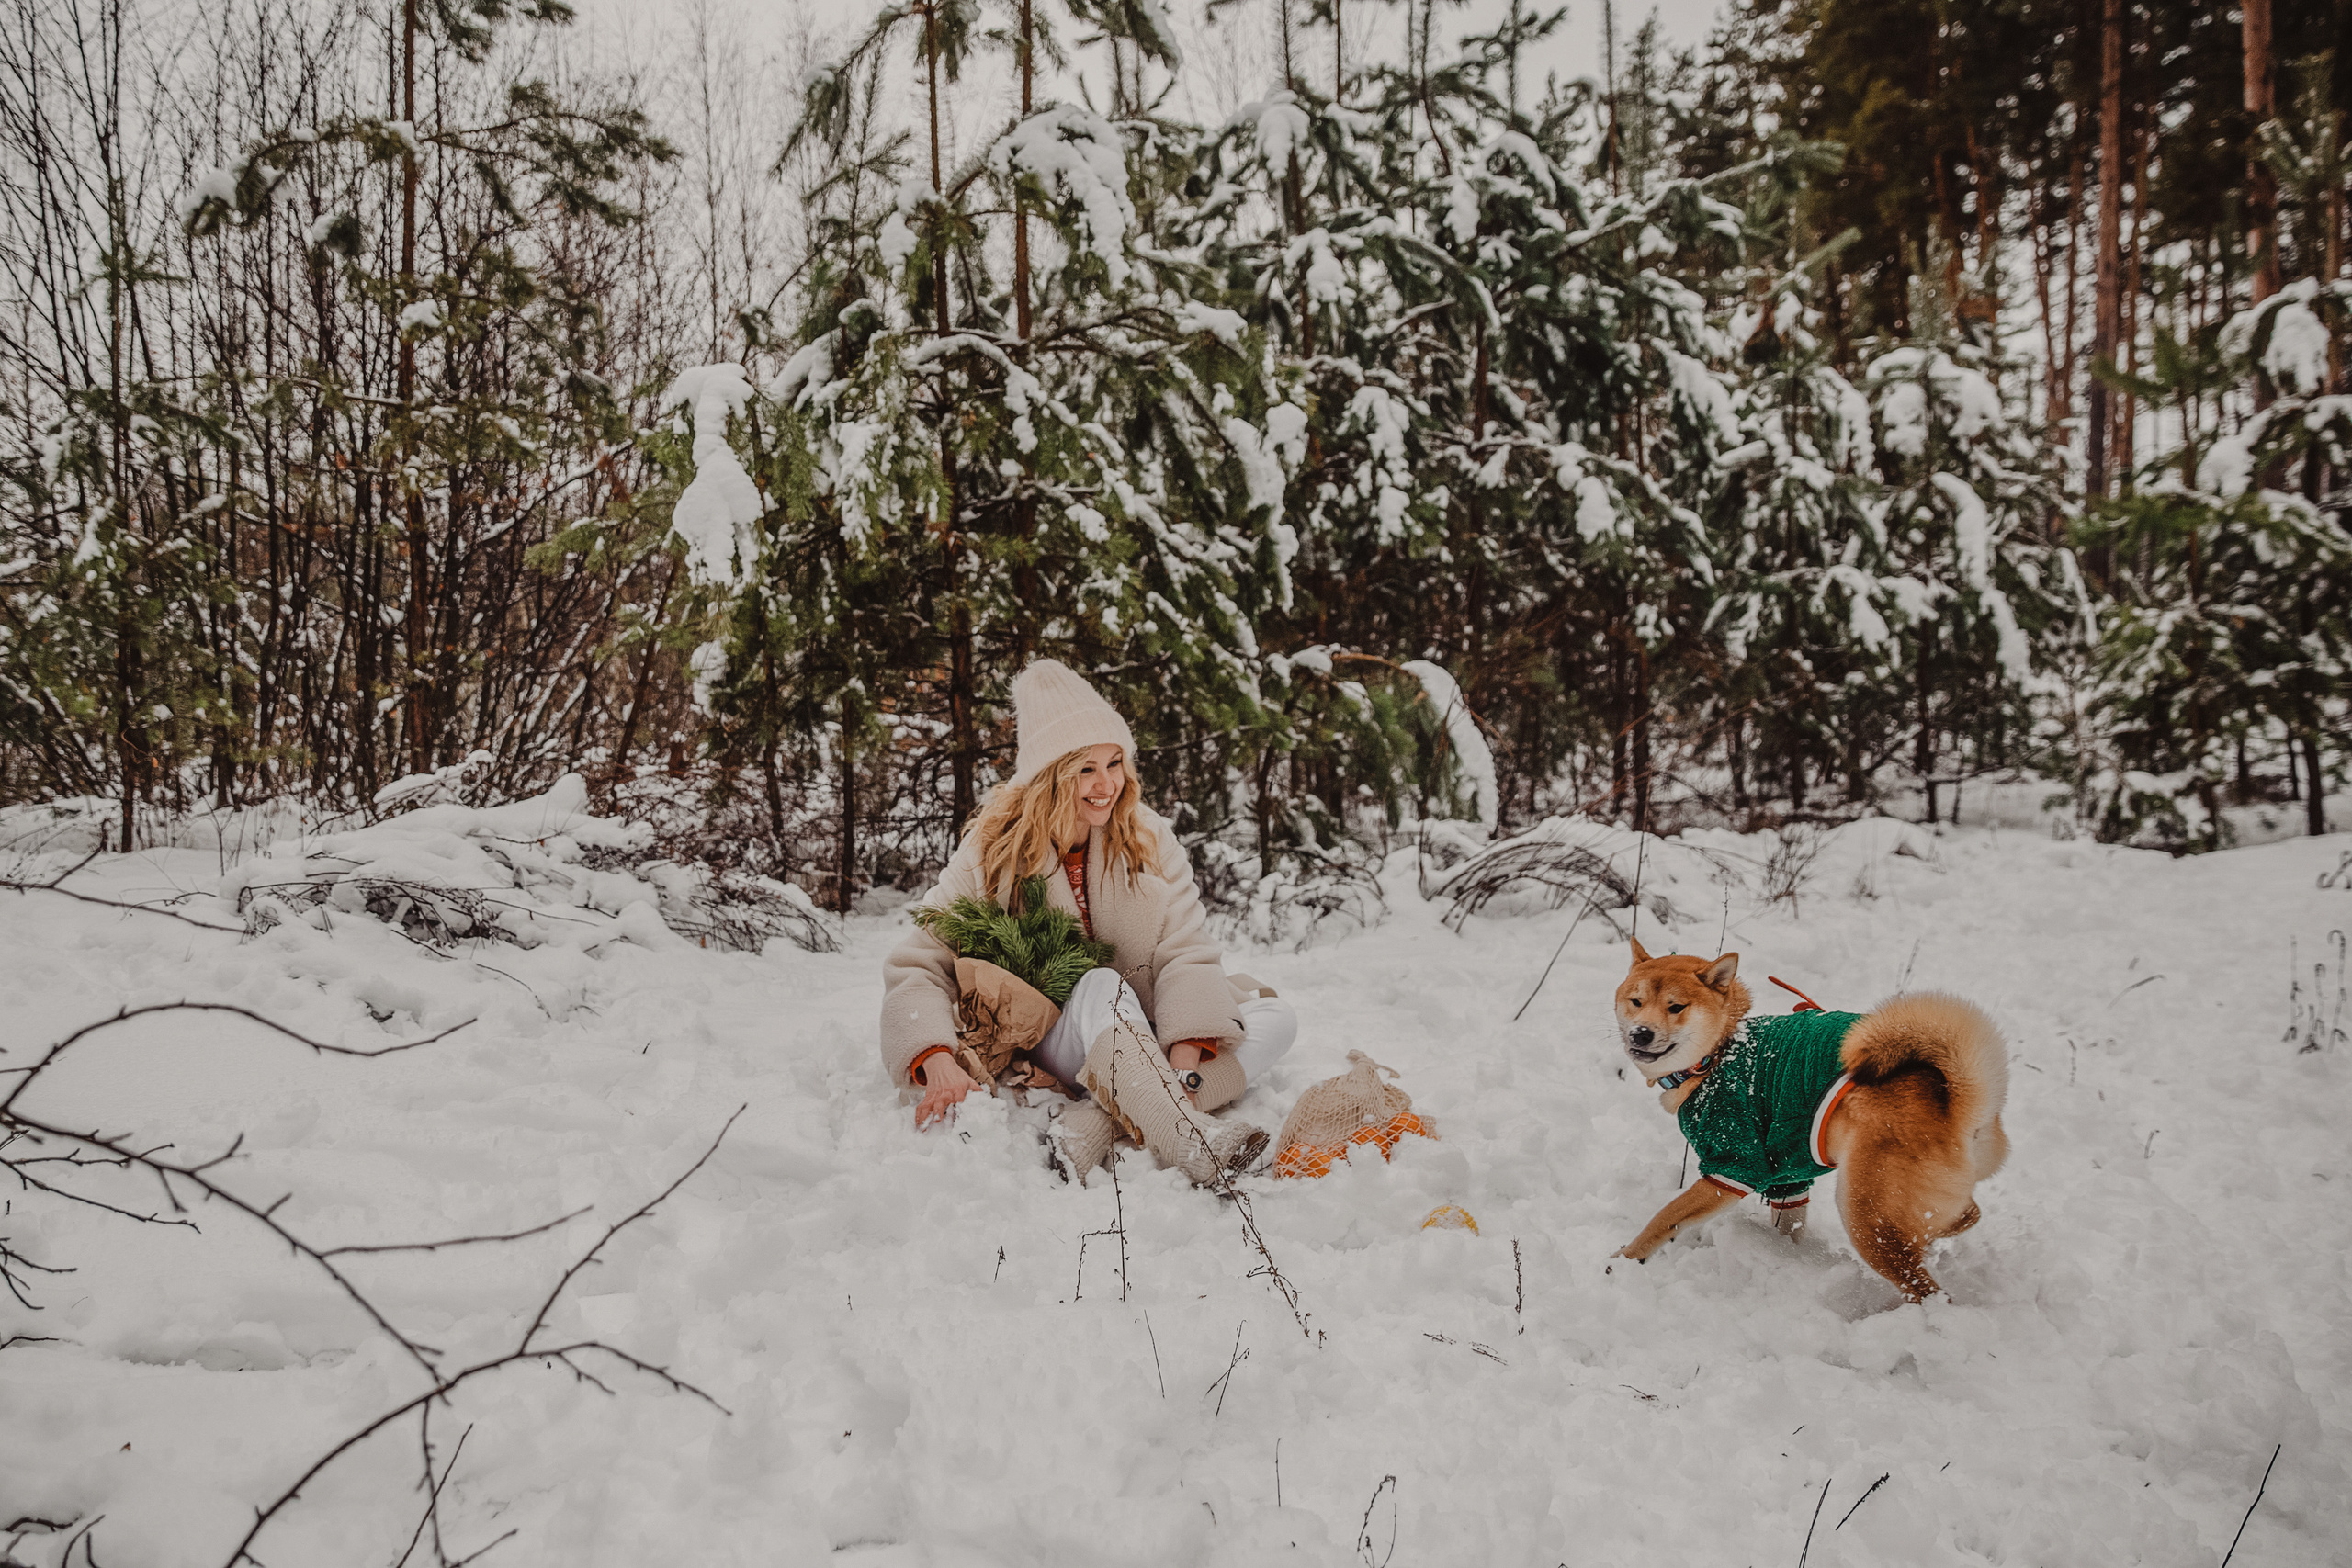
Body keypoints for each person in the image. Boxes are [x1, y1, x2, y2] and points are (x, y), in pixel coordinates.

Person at [879, 659, 1295, 1184]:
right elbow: (917, 960)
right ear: (1050, 775)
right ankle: (1193, 1142)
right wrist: (934, 1054)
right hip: (1056, 1038)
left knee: (1276, 1017)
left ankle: (1104, 1118)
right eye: (1085, 769)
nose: (1107, 785)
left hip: (1142, 1029)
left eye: (1115, 763)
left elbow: (1185, 950)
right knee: (1101, 983)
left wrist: (1182, 1062)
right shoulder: (993, 847)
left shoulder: (1147, 836)